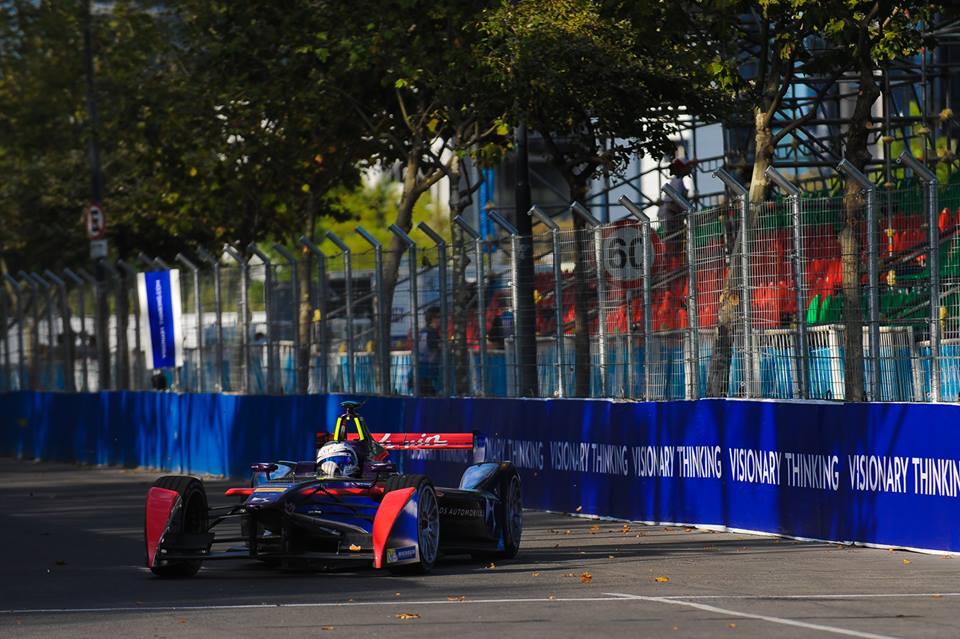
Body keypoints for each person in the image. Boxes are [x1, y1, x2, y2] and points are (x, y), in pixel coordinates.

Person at [658, 158, 695, 255]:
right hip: (670, 215)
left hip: (670, 214)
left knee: (675, 239)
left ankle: (674, 260)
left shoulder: (677, 181)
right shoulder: (677, 181)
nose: (690, 168)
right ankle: (673, 261)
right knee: (674, 239)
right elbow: (674, 202)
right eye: (688, 166)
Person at [415, 306, 442, 395]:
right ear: (433, 319)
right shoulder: (432, 333)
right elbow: (435, 349)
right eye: (439, 317)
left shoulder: (422, 332)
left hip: (419, 370)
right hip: (429, 372)